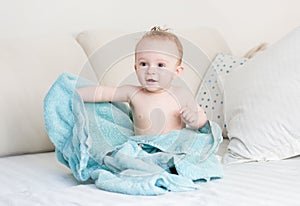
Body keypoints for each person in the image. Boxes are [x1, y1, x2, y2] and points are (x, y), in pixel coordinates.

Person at [77, 26, 208, 136]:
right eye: (144, 64)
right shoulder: (133, 92)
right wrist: (75, 94)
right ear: (136, 68)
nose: (151, 71)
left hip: (174, 149)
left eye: (161, 65)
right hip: (144, 150)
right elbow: (102, 93)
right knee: (124, 158)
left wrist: (195, 119)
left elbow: (202, 120)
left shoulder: (182, 95)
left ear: (176, 72)